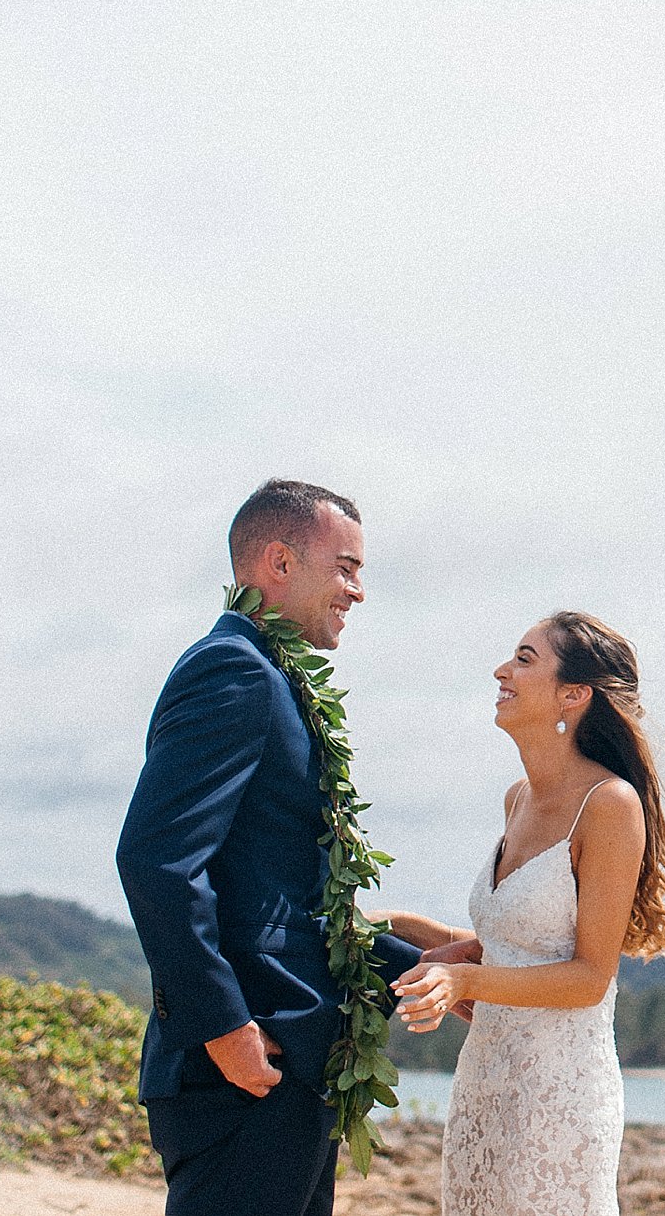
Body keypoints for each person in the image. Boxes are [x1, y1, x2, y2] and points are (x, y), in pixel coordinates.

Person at [116, 480, 459, 1216]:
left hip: (289, 1063)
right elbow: (157, 861)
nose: (358, 592)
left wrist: (427, 972)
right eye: (345, 567)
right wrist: (222, 1028)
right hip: (247, 1067)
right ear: (278, 562)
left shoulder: (271, 675)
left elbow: (277, 900)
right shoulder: (234, 670)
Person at [370, 611, 665, 1216]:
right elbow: (519, 941)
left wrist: (464, 979)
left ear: (574, 695)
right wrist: (396, 926)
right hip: (485, 1078)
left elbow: (589, 977)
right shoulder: (515, 799)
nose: (502, 670)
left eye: (524, 659)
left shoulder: (609, 804)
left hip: (559, 1093)